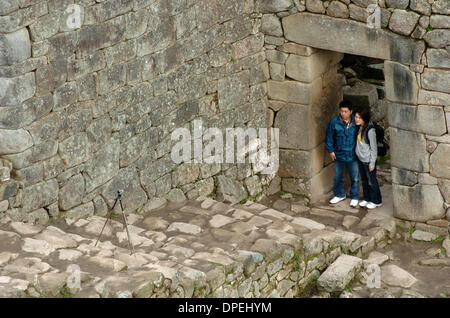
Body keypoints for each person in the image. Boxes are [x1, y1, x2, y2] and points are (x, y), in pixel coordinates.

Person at [325, 100, 359, 207]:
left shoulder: (356, 122)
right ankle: (339, 194)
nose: (343, 113)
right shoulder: (334, 122)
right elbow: (329, 137)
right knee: (338, 176)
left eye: (345, 111)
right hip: (339, 154)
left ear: (350, 112)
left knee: (355, 177)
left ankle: (354, 196)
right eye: (341, 111)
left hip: (353, 154)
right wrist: (330, 150)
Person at [354, 108, 382, 209]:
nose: (356, 119)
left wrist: (372, 163)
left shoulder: (370, 131)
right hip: (361, 159)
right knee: (364, 180)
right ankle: (367, 198)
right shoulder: (360, 128)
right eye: (356, 117)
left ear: (364, 119)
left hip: (368, 161)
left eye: (358, 118)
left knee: (372, 181)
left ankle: (376, 200)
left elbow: (374, 149)